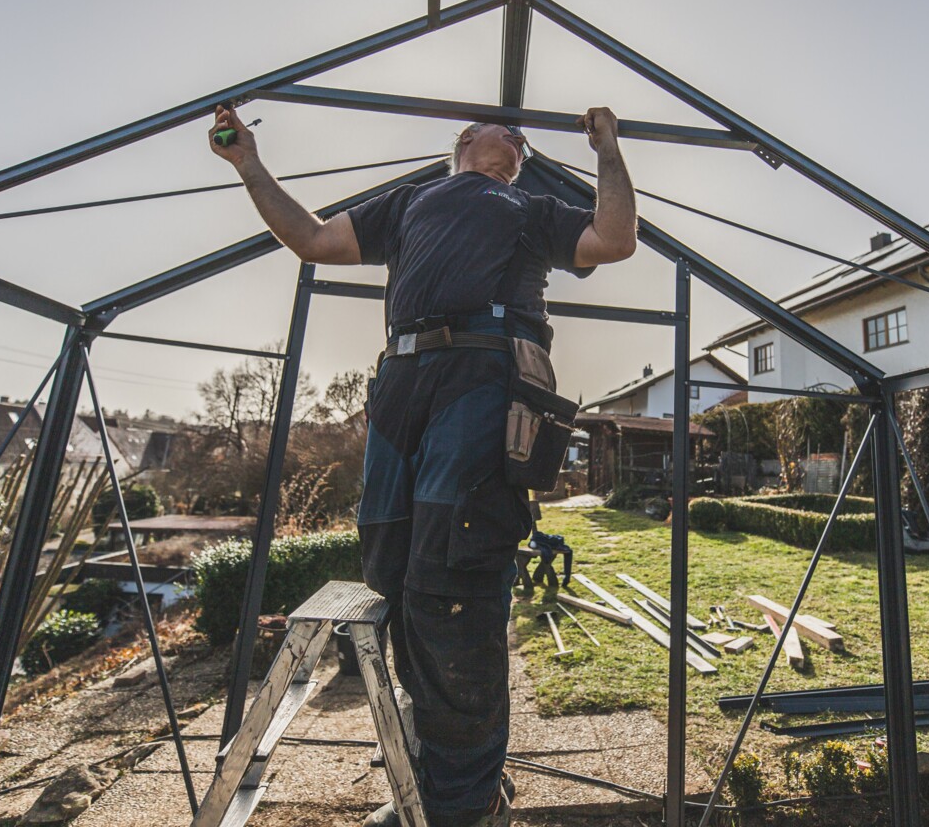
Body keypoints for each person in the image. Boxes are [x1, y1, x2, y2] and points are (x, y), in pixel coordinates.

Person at [210, 105, 637, 827]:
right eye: (507, 130)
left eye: (523, 137)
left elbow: (615, 238)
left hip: (483, 372)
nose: (521, 140)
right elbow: (312, 239)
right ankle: (452, 779)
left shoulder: (531, 206)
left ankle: (463, 807)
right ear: (466, 139)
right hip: (402, 382)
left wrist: (610, 152)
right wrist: (248, 164)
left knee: (454, 572)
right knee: (391, 566)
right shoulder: (410, 202)